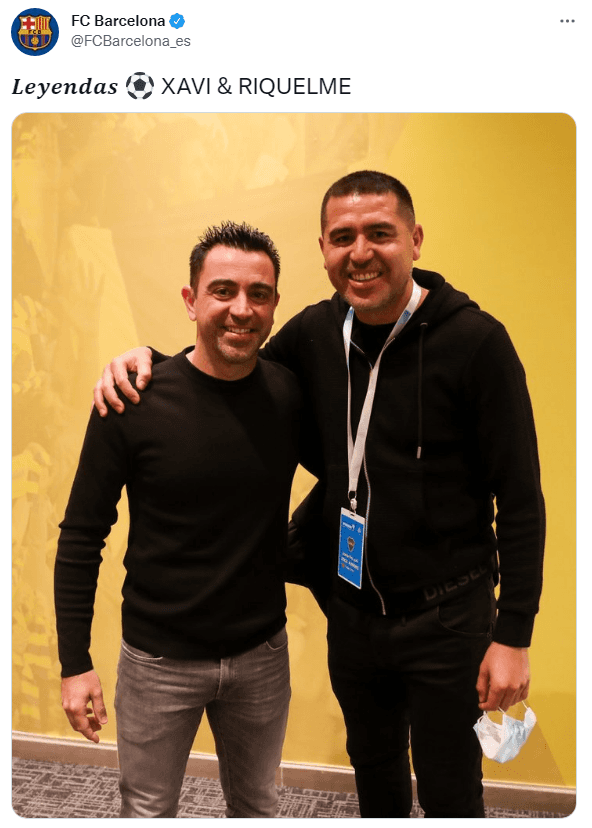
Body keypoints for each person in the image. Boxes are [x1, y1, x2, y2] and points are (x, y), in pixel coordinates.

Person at [94, 171, 545, 818]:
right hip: (353, 614)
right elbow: (228, 373)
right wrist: (148, 361)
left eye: (379, 233)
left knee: (450, 789)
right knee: (375, 774)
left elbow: (521, 500)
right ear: (324, 249)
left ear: (415, 240)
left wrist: (513, 634)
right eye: (342, 237)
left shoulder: (476, 344)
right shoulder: (314, 334)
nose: (360, 253)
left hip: (448, 618)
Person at [54, 222, 304, 818]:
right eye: (222, 291)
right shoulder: (131, 400)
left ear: (274, 304)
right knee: (146, 811)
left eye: (258, 294)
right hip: (156, 662)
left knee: (259, 808)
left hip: (262, 657)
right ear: (191, 300)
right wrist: (74, 663)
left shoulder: (290, 395)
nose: (241, 309)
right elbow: (82, 536)